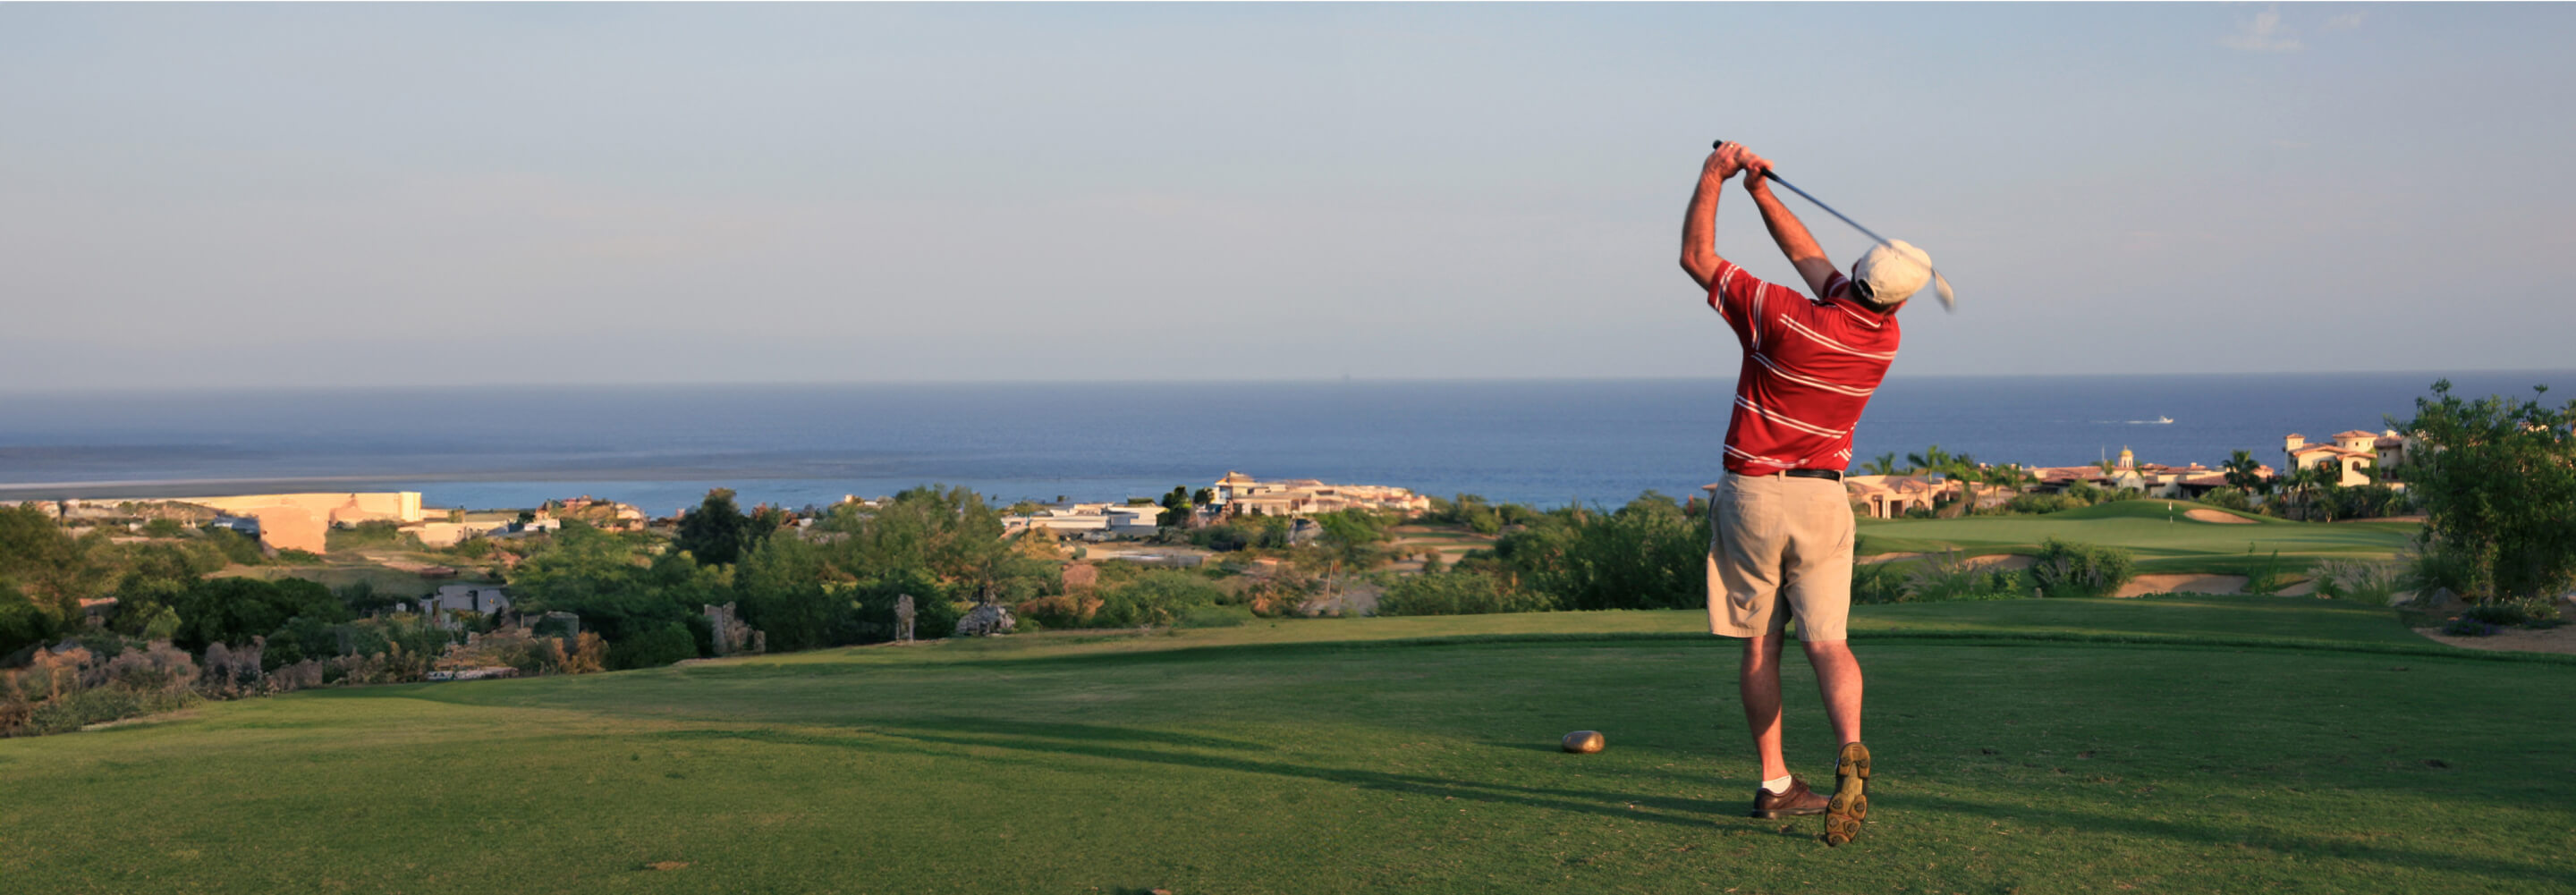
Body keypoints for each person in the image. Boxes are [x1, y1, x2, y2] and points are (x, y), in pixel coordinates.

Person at [1677, 141, 1934, 847]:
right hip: (1825, 501)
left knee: (1762, 644)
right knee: (1829, 641)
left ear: (1856, 272)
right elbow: (1811, 260)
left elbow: (1698, 257)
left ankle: (1776, 781)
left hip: (1755, 495)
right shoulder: (1883, 338)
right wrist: (1761, 192)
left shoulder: (1781, 316)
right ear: (1901, 298)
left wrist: (1715, 178)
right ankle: (1850, 746)